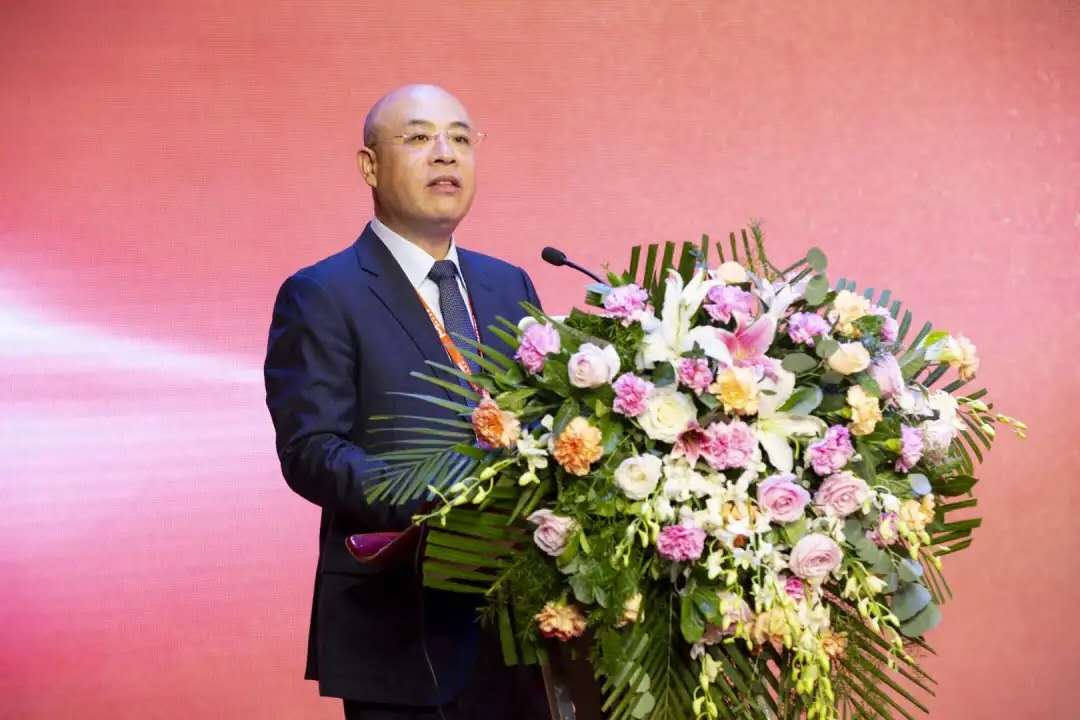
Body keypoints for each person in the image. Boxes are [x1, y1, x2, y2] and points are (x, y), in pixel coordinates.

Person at [264, 85, 548, 720]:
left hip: (523, 630)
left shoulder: (510, 282)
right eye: (419, 138)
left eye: (461, 138)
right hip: (401, 633)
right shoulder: (322, 293)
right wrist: (445, 492)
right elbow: (312, 451)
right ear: (369, 166)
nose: (445, 154)